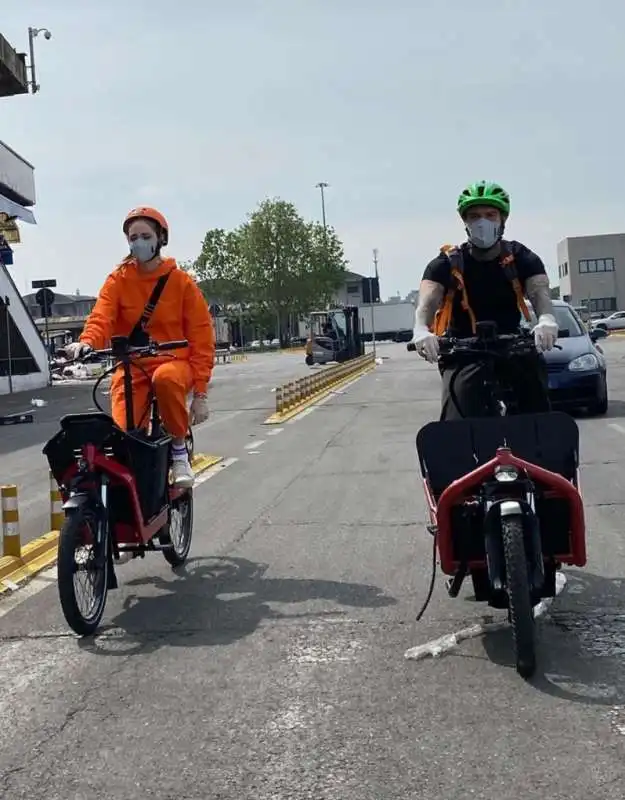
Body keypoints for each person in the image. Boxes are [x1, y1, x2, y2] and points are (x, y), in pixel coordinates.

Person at [64, 206, 215, 487]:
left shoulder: (181, 283)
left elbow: (202, 336)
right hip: (131, 365)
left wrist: (201, 394)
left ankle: (179, 451)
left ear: (161, 239)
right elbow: (102, 317)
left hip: (173, 361)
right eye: (133, 238)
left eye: (145, 236)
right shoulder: (119, 279)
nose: (138, 243)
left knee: (166, 379)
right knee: (124, 430)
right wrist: (86, 342)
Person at [410, 181, 558, 420]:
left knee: (537, 410)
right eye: (474, 216)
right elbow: (427, 300)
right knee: (456, 416)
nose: (482, 222)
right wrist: (420, 329)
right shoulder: (446, 262)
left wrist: (547, 318)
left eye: (490, 215)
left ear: (502, 220)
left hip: (513, 346)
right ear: (465, 222)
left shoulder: (521, 257)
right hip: (462, 349)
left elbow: (539, 291)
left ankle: (540, 457)